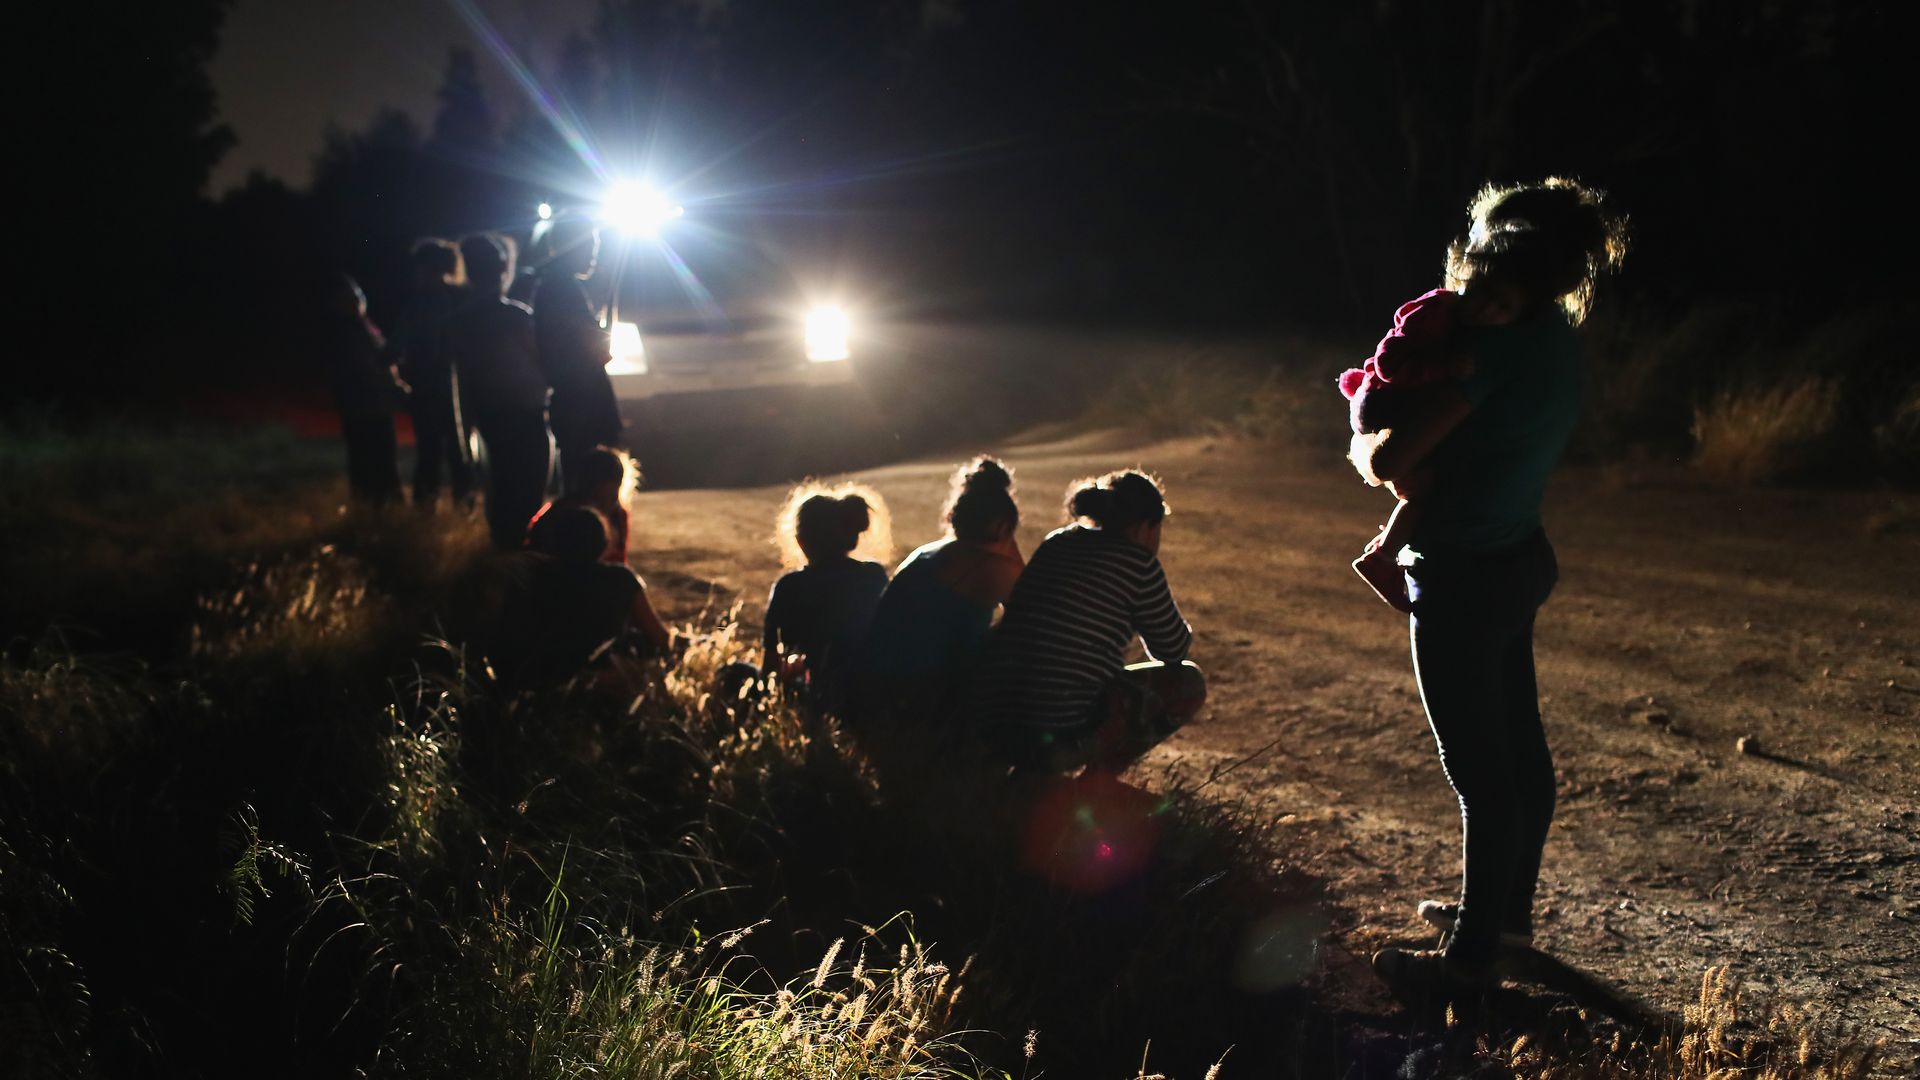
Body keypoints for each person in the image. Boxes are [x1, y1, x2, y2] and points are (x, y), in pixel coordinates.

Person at [1352, 178, 1628, 993]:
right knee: (1521, 753)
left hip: (1463, 573)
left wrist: (1366, 442)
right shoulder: (1553, 334)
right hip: (1518, 556)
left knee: (1479, 769)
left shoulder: (1486, 352)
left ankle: (1470, 962)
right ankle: (1502, 919)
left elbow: (1389, 461)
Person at [972, 470, 1204, 773]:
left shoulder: (1057, 542)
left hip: (993, 716)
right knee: (1188, 682)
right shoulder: (1139, 564)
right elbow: (1172, 650)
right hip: (1059, 728)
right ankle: (1094, 785)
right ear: (1148, 526)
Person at [1338, 269, 1534, 611]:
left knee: (1423, 482)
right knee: (1421, 490)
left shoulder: (1462, 324)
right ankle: (1381, 559)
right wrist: (1443, 369)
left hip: (1392, 399)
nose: (1489, 310)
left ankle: (1389, 542)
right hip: (1380, 399)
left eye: (1502, 308)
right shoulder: (1435, 313)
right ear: (1468, 284)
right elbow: (1387, 363)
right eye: (1486, 296)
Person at [856, 457, 1024, 724]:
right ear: (1003, 528)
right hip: (919, 701)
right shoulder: (990, 567)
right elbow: (1031, 612)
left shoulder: (928, 553)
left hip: (870, 692)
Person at [490, 504, 672, 692]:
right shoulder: (620, 579)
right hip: (602, 683)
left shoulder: (531, 578)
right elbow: (660, 638)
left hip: (540, 684)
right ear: (603, 543)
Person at [449, 232, 552, 548]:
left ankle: (505, 566)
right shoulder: (515, 317)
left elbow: (460, 386)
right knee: (528, 499)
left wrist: (464, 435)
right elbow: (544, 363)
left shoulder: (460, 322)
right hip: (525, 416)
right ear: (501, 270)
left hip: (490, 420)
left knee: (501, 499)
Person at [762, 485, 892, 711]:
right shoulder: (873, 576)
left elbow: (771, 667)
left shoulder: (789, 587)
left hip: (816, 701)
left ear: (800, 541)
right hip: (875, 697)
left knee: (732, 673)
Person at [533, 215, 622, 489]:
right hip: (581, 396)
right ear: (571, 247)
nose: (594, 255)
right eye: (590, 247)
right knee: (587, 474)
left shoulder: (553, 286)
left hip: (572, 394)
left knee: (578, 469)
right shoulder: (563, 289)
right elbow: (591, 346)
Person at [394, 238, 472, 510]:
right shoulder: (459, 299)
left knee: (432, 452)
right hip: (453, 386)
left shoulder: (424, 302)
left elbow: (399, 343)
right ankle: (463, 508)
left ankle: (426, 508)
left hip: (432, 386)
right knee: (457, 453)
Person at [322, 274, 403, 505]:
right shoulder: (347, 333)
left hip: (371, 406)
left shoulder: (363, 328)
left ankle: (378, 509)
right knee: (372, 460)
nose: (358, 300)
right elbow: (370, 368)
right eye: (350, 296)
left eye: (358, 294)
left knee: (376, 460)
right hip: (365, 407)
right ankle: (375, 509)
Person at [525, 445, 633, 565]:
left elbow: (620, 562)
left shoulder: (618, 516)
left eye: (612, 498)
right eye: (599, 499)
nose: (608, 504)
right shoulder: (563, 514)